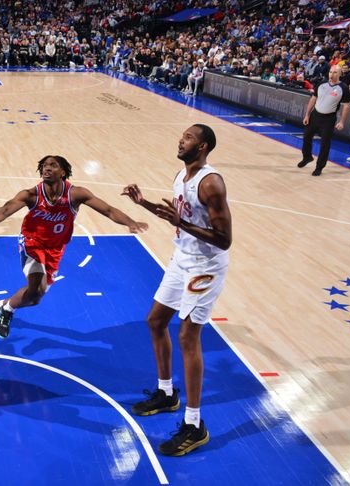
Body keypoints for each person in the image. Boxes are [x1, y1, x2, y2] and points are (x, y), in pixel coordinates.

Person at [122, 123, 232, 457]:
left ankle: (195, 424)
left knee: (187, 336)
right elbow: (177, 216)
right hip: (182, 256)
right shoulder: (181, 176)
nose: (180, 140)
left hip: (205, 267)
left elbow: (225, 239)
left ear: (202, 147)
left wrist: (179, 224)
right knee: (155, 321)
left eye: (187, 138)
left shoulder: (210, 182)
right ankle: (167, 393)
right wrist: (143, 205)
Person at [0, 156, 148, 339]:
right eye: (44, 166)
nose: (47, 169)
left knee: (35, 297)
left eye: (53, 165)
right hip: (32, 244)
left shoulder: (76, 194)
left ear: (63, 172)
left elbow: (108, 210)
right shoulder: (31, 195)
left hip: (55, 250)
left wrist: (130, 222)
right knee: (35, 284)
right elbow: (3, 211)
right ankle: (7, 312)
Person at [298, 65, 350, 176]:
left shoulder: (343, 88)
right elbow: (313, 99)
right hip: (315, 115)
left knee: (324, 144)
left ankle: (319, 167)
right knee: (307, 136)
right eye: (331, 72)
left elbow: (346, 106)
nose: (332, 74)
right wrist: (307, 115)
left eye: (335, 72)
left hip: (328, 119)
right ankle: (307, 157)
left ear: (340, 74)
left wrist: (342, 122)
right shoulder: (321, 84)